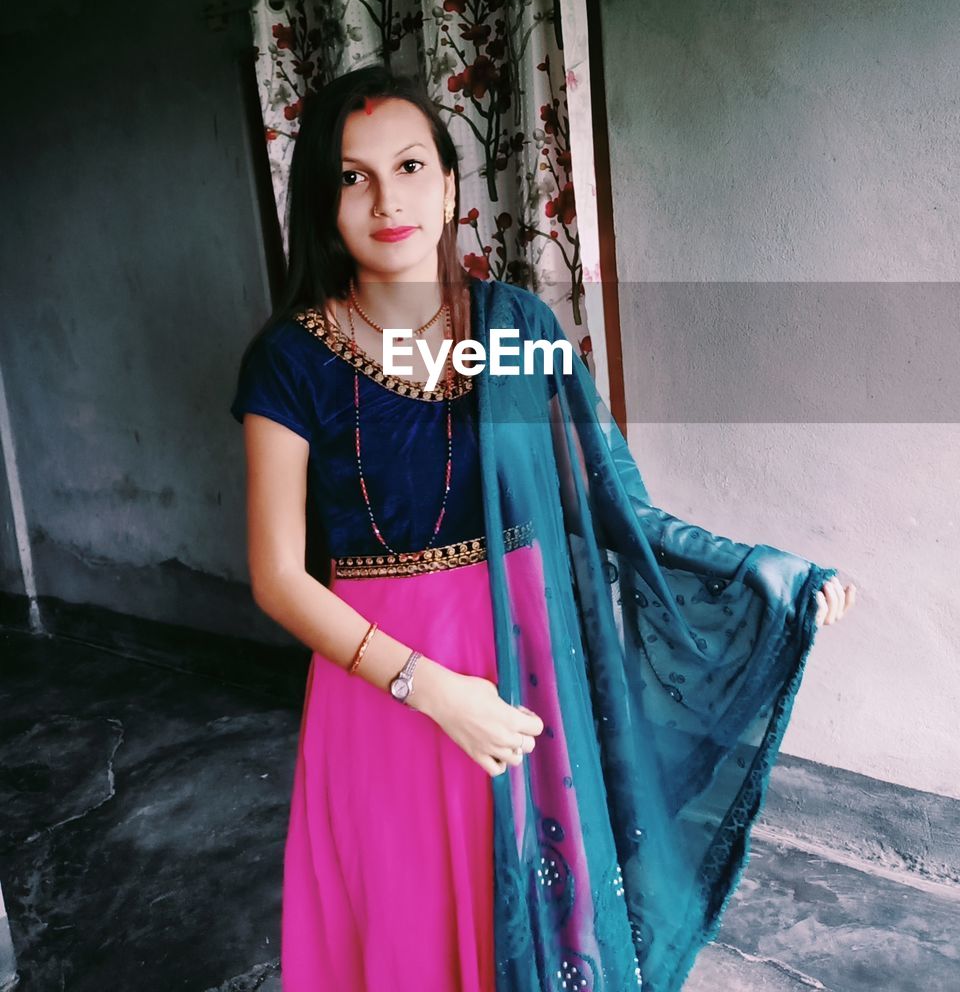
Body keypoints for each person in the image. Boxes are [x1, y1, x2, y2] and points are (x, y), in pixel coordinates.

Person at [231, 64, 856, 992]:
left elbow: (606, 503)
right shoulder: (290, 359)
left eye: (408, 167)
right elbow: (279, 576)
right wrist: (431, 689)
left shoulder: (514, 324)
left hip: (528, 669)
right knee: (406, 923)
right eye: (351, 177)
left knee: (531, 914)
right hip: (385, 689)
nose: (385, 198)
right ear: (323, 205)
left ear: (449, 188)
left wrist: (759, 567)